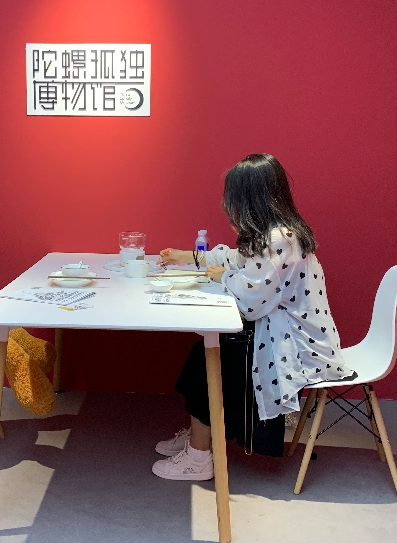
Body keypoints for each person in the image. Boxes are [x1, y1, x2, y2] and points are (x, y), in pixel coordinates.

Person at [151, 153, 355, 481]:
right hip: (277, 333)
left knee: (210, 359)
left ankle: (199, 456)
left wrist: (223, 277)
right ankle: (200, 434)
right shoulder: (276, 233)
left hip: (293, 348)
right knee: (205, 353)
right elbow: (238, 259)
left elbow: (249, 302)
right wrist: (190, 257)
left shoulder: (279, 240)